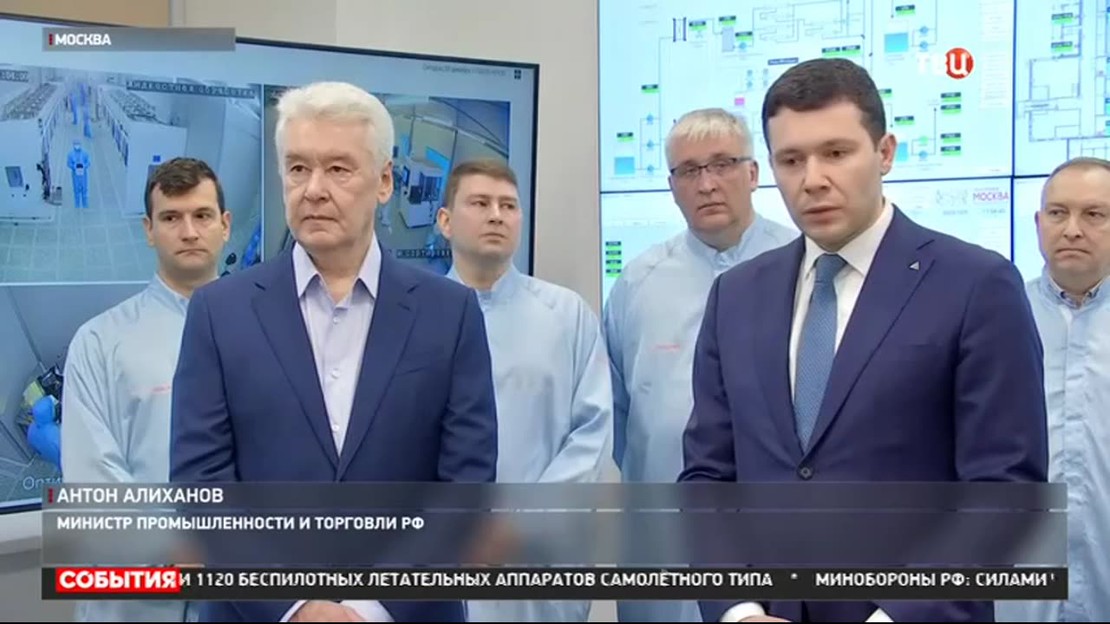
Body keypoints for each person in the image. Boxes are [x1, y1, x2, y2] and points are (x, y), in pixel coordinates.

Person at [678, 58, 1049, 623]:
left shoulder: (976, 285)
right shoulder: (737, 296)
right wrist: (739, 610)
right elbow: (707, 479)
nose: (813, 179)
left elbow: (1004, 492)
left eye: (836, 152)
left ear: (885, 153)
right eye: (792, 160)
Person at [168, 81, 498, 623]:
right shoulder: (218, 313)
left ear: (385, 181)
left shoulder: (450, 313)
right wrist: (295, 607)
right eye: (298, 168)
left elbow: (466, 489)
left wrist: (370, 609)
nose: (314, 189)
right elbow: (202, 489)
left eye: (338, 169)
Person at [602, 107, 796, 623]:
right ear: (671, 186)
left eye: (723, 164)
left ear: (753, 173)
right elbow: (619, 419)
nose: (707, 184)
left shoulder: (805, 267)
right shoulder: (637, 285)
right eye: (689, 170)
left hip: (777, 541)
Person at [437, 159, 613, 622]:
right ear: (445, 221)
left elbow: (593, 435)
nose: (496, 215)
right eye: (480, 203)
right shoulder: (415, 322)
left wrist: (523, 521)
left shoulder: (567, 316)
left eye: (509, 206)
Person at [61, 156, 232, 622]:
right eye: (171, 218)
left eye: (202, 215)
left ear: (225, 225)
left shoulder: (270, 335)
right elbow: (93, 479)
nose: (189, 232)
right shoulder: (100, 342)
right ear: (148, 229)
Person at [996, 157, 1110, 623]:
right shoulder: (995, 319)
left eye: (1094, 214)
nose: (1072, 230)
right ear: (1038, 223)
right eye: (1058, 213)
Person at [67, 140, 90, 209]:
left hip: (83, 175)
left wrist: (84, 166)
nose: (77, 146)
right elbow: (68, 163)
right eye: (75, 144)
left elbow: (88, 162)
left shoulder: (84, 153)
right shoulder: (70, 154)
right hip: (75, 175)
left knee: (84, 190)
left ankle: (85, 205)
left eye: (78, 144)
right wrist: (74, 166)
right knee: (76, 190)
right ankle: (77, 206)